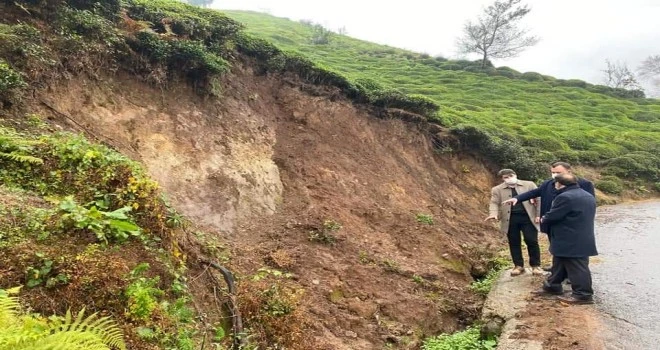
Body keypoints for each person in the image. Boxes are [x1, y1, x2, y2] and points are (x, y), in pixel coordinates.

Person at [502, 161, 595, 271]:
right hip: (552, 222)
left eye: (558, 172)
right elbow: (534, 192)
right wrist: (517, 198)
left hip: (573, 224)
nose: (555, 174)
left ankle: (576, 272)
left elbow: (589, 204)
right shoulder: (548, 183)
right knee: (556, 247)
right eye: (553, 172)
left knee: (577, 250)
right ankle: (558, 268)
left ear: (569, 171)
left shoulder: (584, 184)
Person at [531, 173, 598, 304]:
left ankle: (583, 295)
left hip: (569, 237)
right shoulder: (587, 195)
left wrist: (544, 218)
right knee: (559, 262)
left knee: (578, 266)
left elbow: (553, 216)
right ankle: (552, 286)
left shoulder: (565, 197)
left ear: (559, 184)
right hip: (580, 236)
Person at [485, 169, 543, 276]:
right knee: (514, 242)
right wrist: (493, 213)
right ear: (502, 179)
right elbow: (494, 203)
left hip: (528, 217)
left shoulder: (529, 184)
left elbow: (539, 199)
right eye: (505, 177)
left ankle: (536, 266)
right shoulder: (497, 189)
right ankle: (518, 266)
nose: (509, 179)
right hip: (510, 218)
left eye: (510, 176)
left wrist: (538, 215)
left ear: (515, 175)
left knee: (531, 240)